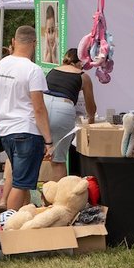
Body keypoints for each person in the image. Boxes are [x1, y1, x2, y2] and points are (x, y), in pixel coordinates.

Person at [0, 26, 53, 211]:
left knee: (22, 180)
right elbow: (39, 108)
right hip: (26, 130)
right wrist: (48, 140)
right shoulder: (33, 70)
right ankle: (8, 227)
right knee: (21, 184)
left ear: (13, 41)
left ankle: (21, 221)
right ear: (34, 43)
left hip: (5, 130)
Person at [44, 48, 98, 181]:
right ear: (80, 62)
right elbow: (90, 107)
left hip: (42, 105)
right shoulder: (83, 76)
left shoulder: (53, 71)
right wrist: (91, 120)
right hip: (62, 109)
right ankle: (59, 200)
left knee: (36, 156)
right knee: (58, 161)